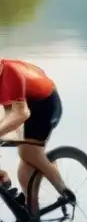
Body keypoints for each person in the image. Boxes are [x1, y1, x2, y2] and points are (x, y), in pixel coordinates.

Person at [0, 58, 73, 214]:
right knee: (25, 166)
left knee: (27, 151)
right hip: (27, 103)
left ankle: (64, 191)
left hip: (46, 103)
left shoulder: (10, 73)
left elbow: (22, 113)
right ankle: (32, 212)